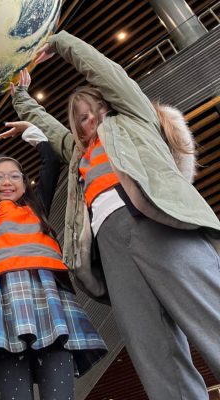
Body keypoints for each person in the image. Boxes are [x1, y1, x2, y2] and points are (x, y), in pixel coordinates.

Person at [13, 31, 220, 399]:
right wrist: (20, 97)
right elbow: (47, 127)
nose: (86, 117)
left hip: (158, 222)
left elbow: (107, 73)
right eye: (77, 116)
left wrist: (58, 41)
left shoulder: (134, 118)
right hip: (111, 248)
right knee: (150, 346)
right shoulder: (78, 153)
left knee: (210, 314)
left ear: (108, 104)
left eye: (91, 106)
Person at [0, 117, 106, 400]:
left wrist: (32, 133)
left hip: (47, 296)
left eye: (14, 176)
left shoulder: (37, 207)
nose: (7, 181)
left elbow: (51, 163)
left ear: (24, 183)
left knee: (59, 389)